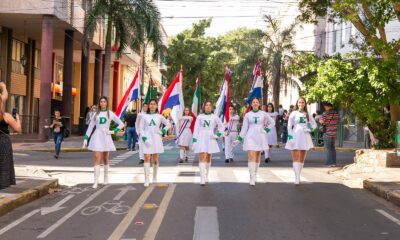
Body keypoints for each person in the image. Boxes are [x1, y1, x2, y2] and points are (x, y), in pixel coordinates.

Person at [83, 96, 124, 189]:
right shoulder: (95, 114)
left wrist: (113, 131)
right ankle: (96, 180)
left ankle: (106, 177)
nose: (102, 103)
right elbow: (90, 127)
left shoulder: (110, 113)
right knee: (97, 157)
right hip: (97, 136)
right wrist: (86, 138)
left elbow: (121, 124)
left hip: (106, 136)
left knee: (105, 158)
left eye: (104, 101)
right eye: (101, 101)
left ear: (106, 103)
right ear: (99, 103)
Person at [235, 98, 275, 186]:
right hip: (250, 136)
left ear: (259, 104)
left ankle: (255, 173)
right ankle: (252, 177)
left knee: (257, 156)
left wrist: (267, 130)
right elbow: (244, 128)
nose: (255, 103)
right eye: (254, 102)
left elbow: (272, 122)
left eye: (257, 102)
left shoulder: (263, 113)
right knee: (251, 155)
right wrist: (239, 138)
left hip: (260, 136)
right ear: (251, 104)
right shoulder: (248, 115)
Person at [139, 99, 171, 187]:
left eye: (154, 104)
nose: (152, 106)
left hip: (156, 138)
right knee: (146, 157)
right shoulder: (144, 116)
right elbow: (141, 128)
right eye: (151, 104)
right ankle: (146, 179)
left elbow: (168, 124)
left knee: (155, 159)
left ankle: (154, 177)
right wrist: (144, 137)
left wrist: (162, 131)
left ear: (156, 106)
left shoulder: (159, 116)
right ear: (148, 106)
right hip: (147, 139)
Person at [285, 97, 317, 185]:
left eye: (303, 102)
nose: (301, 104)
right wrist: (290, 137)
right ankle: (296, 177)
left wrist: (309, 129)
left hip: (305, 137)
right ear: (297, 103)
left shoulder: (307, 114)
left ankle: (298, 175)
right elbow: (289, 126)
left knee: (302, 158)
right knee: (296, 157)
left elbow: (314, 124)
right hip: (295, 136)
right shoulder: (293, 113)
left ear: (305, 104)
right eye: (299, 102)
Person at [192, 101, 224, 186]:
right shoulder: (199, 117)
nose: (208, 107)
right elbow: (196, 129)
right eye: (206, 105)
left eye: (210, 105)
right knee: (202, 155)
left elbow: (222, 126)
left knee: (209, 157)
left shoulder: (215, 117)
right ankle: (202, 178)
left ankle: (206, 175)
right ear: (204, 107)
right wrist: (195, 140)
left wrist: (218, 135)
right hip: (201, 137)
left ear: (212, 108)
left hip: (211, 137)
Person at [0, 82, 21, 190]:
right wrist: (17, 118)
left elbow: (4, 96)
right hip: (3, 142)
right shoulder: (6, 116)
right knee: (3, 164)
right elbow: (17, 129)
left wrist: (3, 87)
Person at [319, 103, 339, 167]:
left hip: (327, 132)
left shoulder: (325, 113)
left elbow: (322, 121)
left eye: (325, 106)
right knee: (332, 148)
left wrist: (320, 120)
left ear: (327, 106)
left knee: (328, 148)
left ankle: (329, 163)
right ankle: (334, 162)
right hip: (334, 132)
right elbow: (338, 121)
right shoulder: (336, 113)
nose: (324, 107)